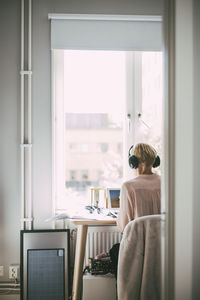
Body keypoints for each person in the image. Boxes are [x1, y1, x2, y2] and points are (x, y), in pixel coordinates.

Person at [110, 143, 161, 277]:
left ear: (133, 162)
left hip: (139, 248)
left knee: (114, 251)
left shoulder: (128, 187)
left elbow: (124, 227)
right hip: (163, 247)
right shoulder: (168, 183)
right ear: (155, 161)